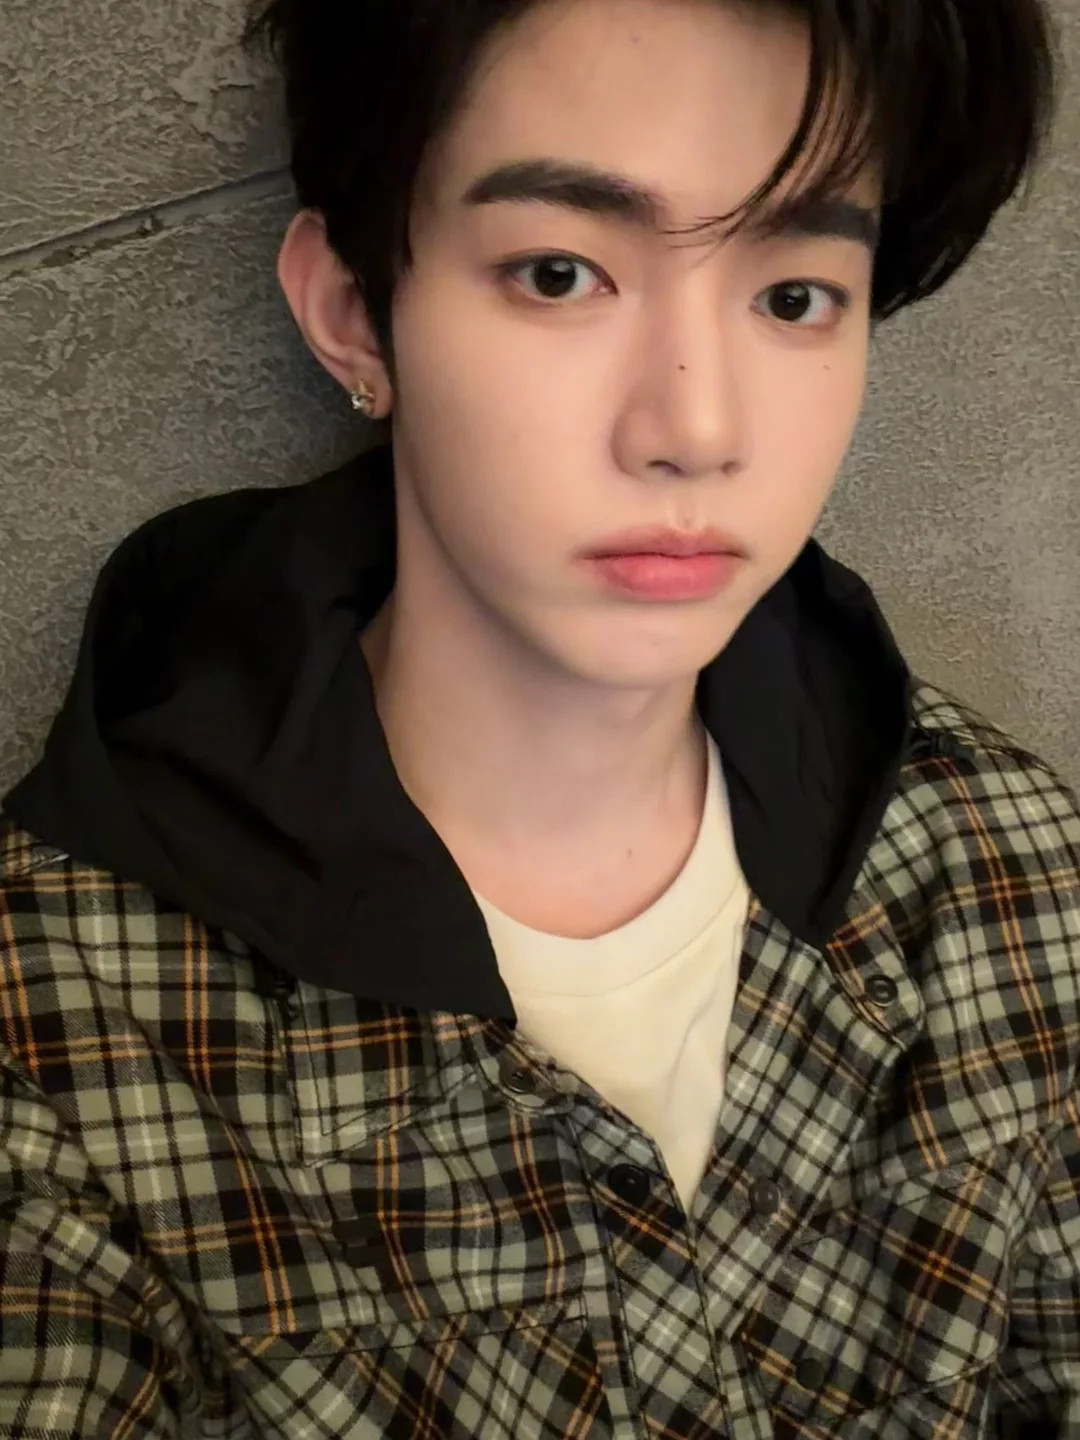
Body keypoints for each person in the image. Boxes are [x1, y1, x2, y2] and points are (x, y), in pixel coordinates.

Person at [0, 0, 1074, 1434]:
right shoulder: (57, 1022)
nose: (695, 428)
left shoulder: (1007, 869)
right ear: (353, 310)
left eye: (793, 297)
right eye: (560, 274)